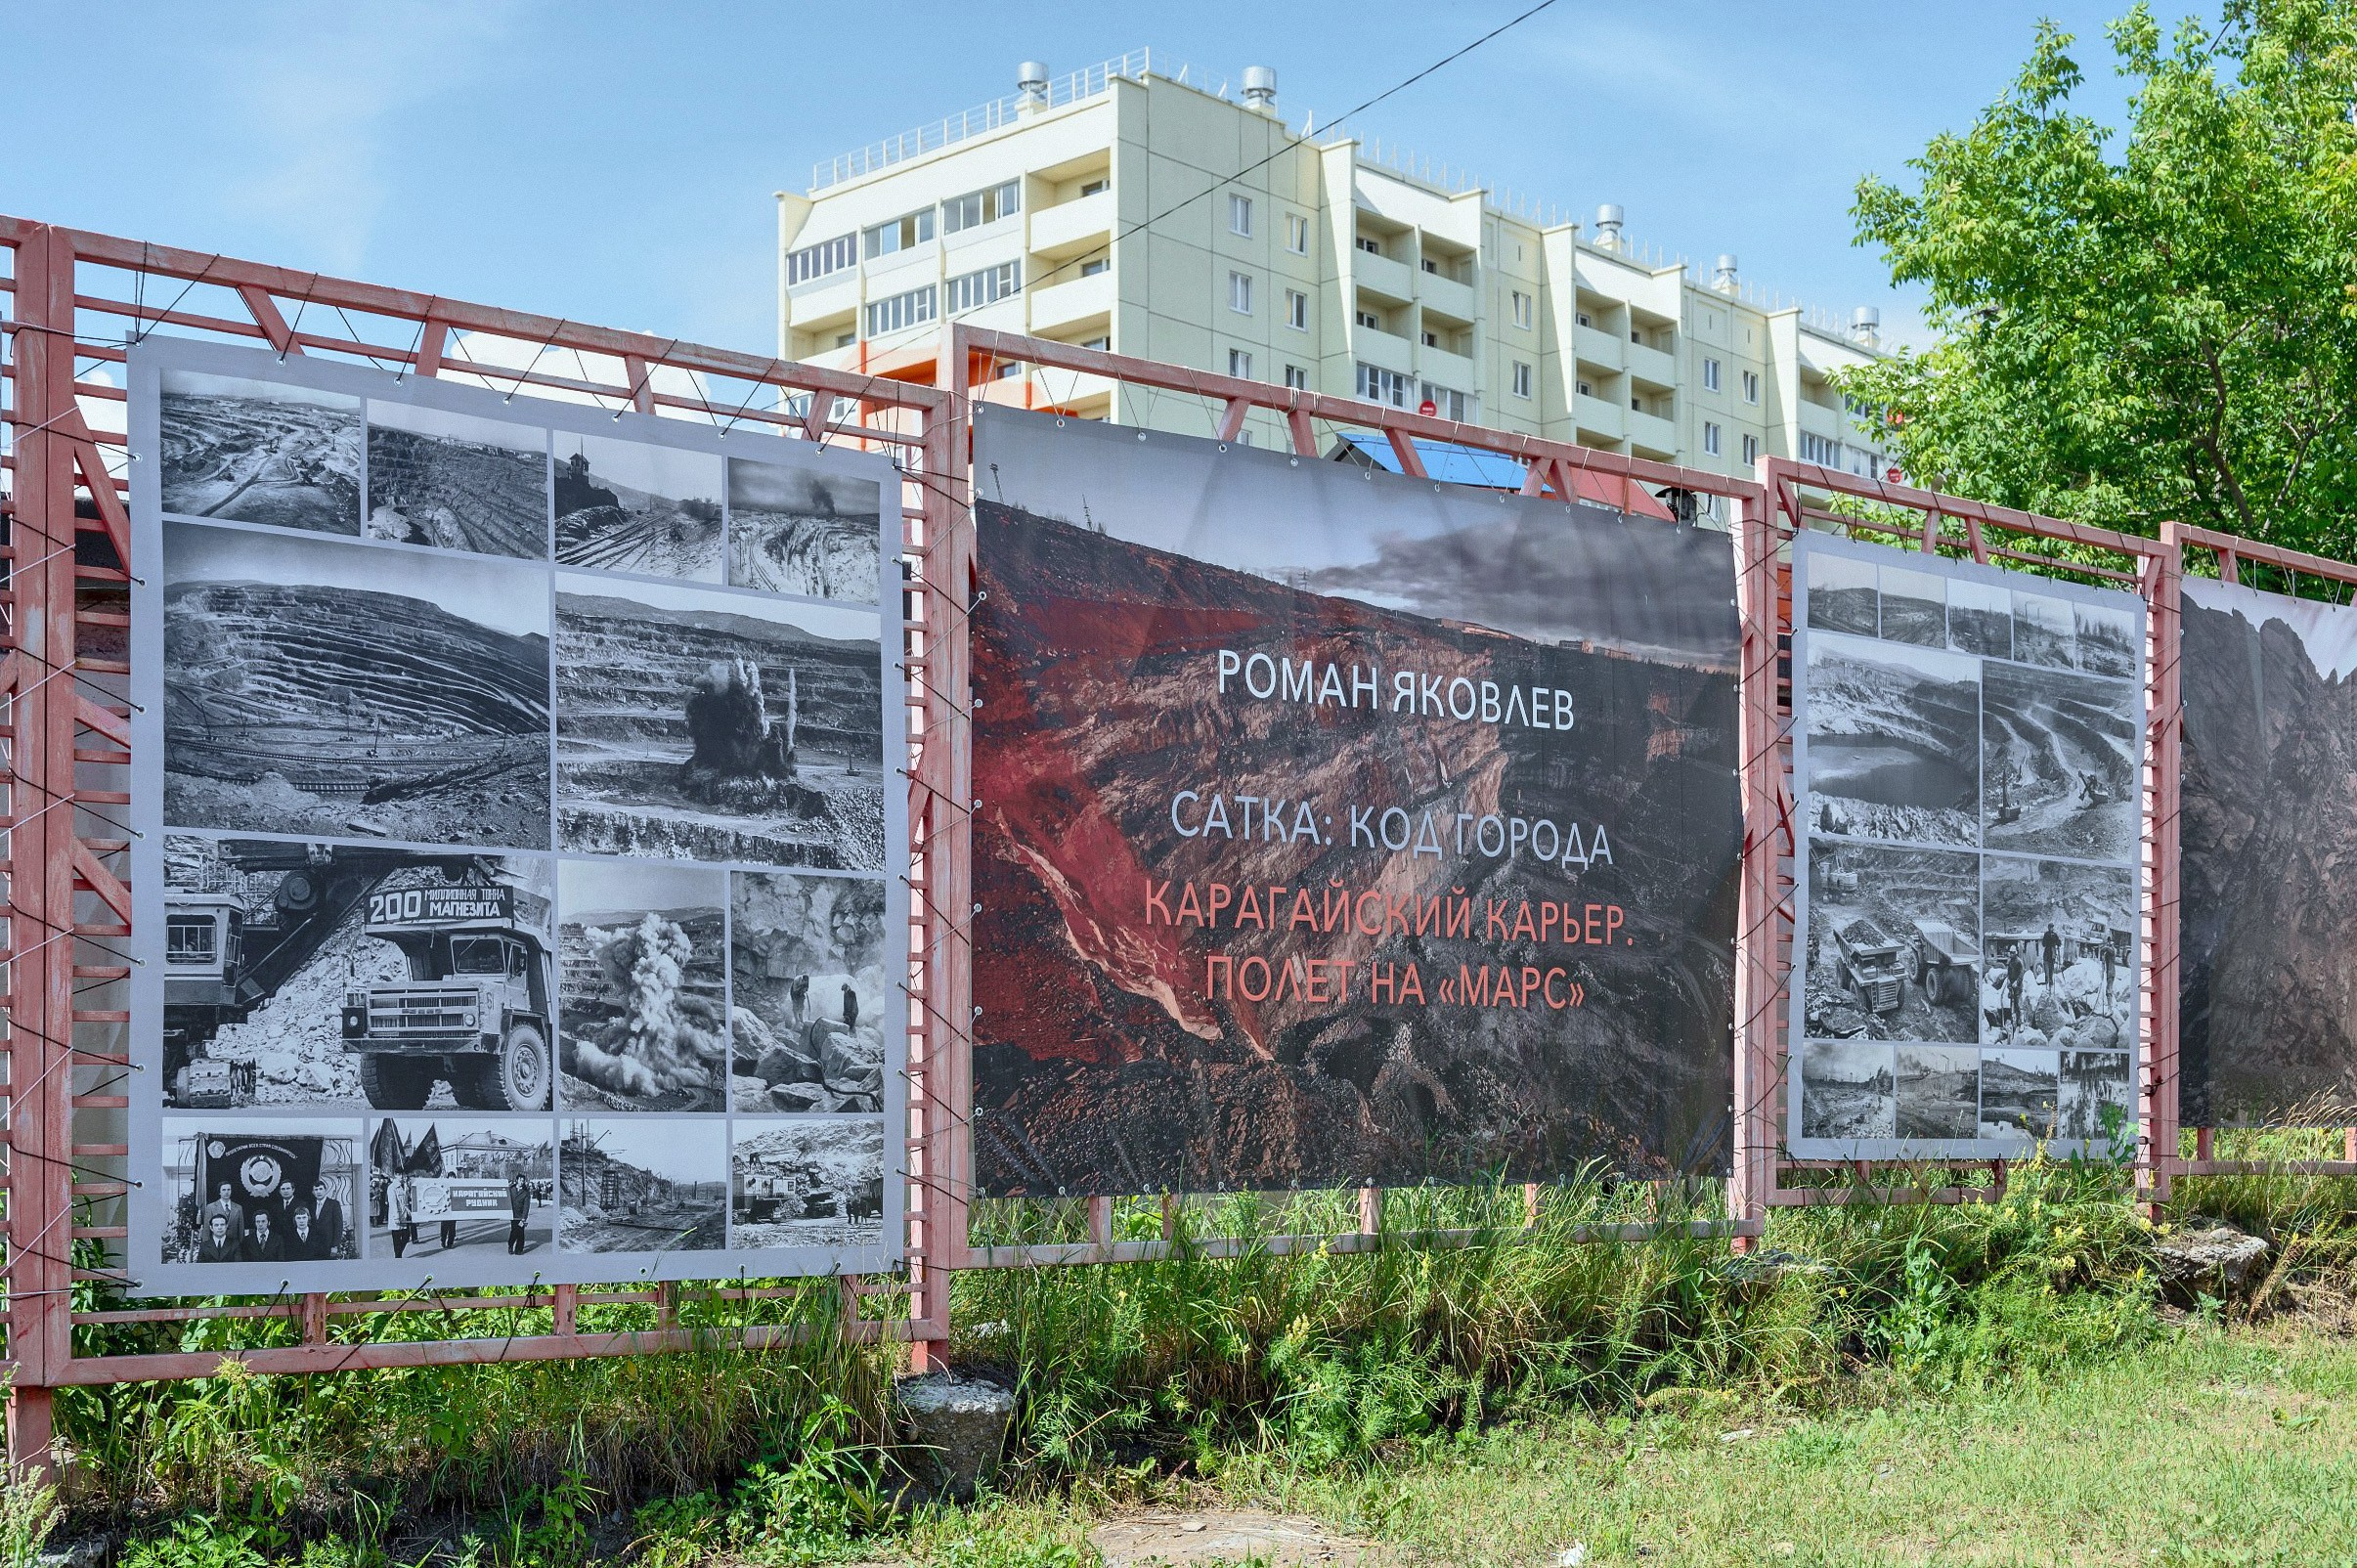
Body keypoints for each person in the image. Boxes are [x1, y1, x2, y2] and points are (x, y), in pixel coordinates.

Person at [305, 1180, 345, 1259]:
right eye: (316, 1190)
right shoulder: (310, 1205)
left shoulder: (334, 1204)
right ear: (313, 1192)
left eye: (320, 1189)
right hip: (313, 1246)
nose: (318, 1192)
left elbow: (338, 1226)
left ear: (325, 1190)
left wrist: (335, 1246)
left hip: (329, 1246)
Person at [388, 1172, 415, 1259]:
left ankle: (398, 1255)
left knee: (406, 1237)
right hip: (396, 1217)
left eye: (403, 1175)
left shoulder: (405, 1187)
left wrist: (409, 1211)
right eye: (400, 1175)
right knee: (396, 1240)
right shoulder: (392, 1188)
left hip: (404, 1216)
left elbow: (405, 1203)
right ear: (396, 1175)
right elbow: (393, 1204)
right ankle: (398, 1257)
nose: (402, 1177)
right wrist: (396, 1217)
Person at [506, 1168, 532, 1255]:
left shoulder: (526, 1193)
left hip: (521, 1215)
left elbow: (526, 1206)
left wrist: (524, 1218)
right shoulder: (510, 1189)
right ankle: (510, 1245)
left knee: (521, 1232)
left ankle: (519, 1250)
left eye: (523, 1180)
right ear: (517, 1180)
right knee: (514, 1231)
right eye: (520, 1180)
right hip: (512, 1214)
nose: (522, 1182)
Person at [2041, 923, 2061, 988]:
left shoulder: (2055, 935)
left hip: (2052, 954)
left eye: (2052, 927)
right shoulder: (2046, 934)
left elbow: (2059, 943)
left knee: (2051, 969)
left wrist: (2057, 942)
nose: (2051, 929)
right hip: (2047, 954)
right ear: (2048, 928)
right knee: (2047, 970)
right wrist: (2051, 940)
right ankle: (2047, 982)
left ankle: (2051, 982)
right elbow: (2043, 944)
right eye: (2050, 927)